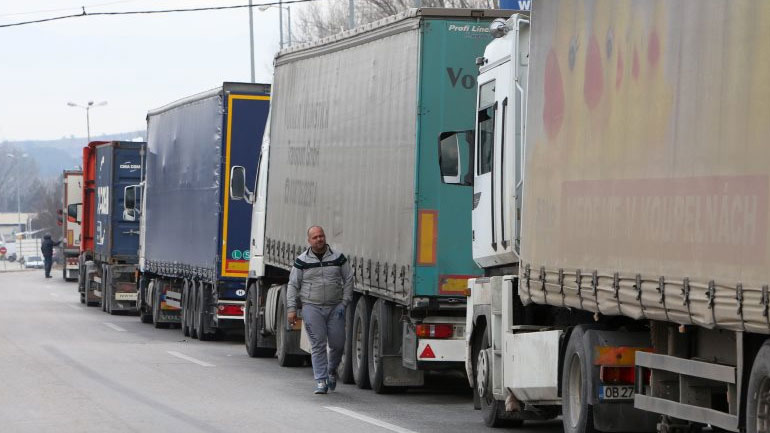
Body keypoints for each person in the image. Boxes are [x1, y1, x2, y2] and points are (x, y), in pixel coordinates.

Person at [287, 225, 353, 395]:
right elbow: (293, 285)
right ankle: (321, 380)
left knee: (338, 344)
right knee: (318, 344)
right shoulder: (301, 261)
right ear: (309, 241)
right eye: (315, 237)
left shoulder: (338, 258)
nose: (319, 239)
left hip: (335, 307)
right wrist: (291, 309)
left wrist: (344, 302)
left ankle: (331, 371)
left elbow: (348, 279)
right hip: (311, 307)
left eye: (321, 236)